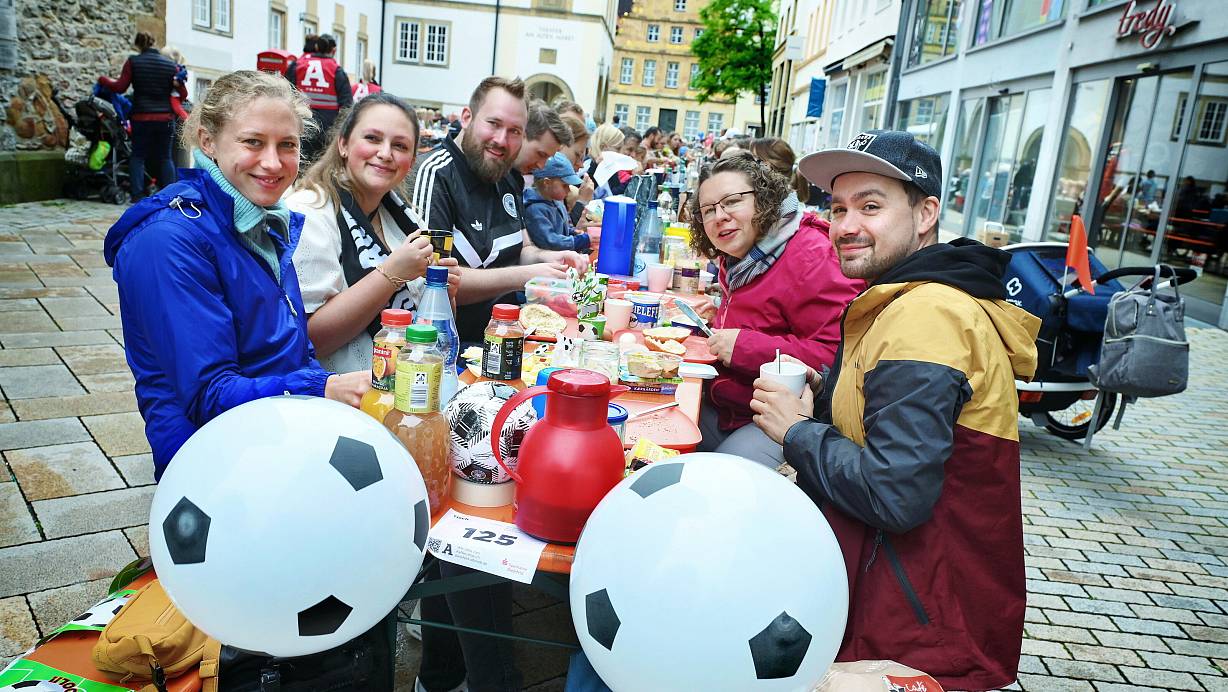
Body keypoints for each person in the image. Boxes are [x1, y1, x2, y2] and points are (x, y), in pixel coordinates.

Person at [751, 130, 1040, 690]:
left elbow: (894, 494)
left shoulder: (927, 315)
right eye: (837, 208)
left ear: (926, 212)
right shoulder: (904, 295)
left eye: (872, 206)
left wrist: (798, 432)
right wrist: (830, 404)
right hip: (904, 599)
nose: (847, 226)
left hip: (915, 620)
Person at [102, 70, 370, 481]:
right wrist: (322, 389)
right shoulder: (167, 241)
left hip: (276, 425)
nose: (273, 162)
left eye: (288, 146)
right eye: (253, 142)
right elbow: (208, 395)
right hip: (209, 461)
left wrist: (333, 387)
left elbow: (289, 352)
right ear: (208, 141)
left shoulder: (263, 221)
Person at [690, 152, 862, 469]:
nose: (719, 216)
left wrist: (745, 346)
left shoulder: (812, 253)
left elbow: (840, 356)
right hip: (734, 405)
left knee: (718, 478)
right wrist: (719, 316)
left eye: (732, 201)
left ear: (764, 199)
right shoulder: (745, 254)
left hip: (783, 417)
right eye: (708, 210)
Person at [287, 92, 460, 373]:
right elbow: (309, 339)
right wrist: (390, 275)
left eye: (400, 145)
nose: (385, 153)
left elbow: (437, 334)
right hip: (339, 401)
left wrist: (444, 294)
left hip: (409, 387)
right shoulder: (307, 211)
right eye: (373, 138)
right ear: (343, 144)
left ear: (412, 160)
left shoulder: (406, 217)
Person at [410, 76, 587, 344]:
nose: (502, 140)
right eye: (493, 124)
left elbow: (522, 249)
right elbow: (431, 285)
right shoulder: (436, 175)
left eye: (515, 131)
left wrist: (550, 259)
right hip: (454, 350)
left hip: (509, 338)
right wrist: (523, 276)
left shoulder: (504, 174)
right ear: (467, 117)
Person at [98, 31, 184, 201]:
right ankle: (171, 195)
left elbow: (120, 87)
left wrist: (103, 80)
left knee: (138, 156)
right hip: (165, 118)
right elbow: (180, 91)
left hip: (142, 117)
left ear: (138, 45)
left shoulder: (133, 62)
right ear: (154, 42)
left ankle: (137, 195)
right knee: (165, 157)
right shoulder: (169, 65)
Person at [285, 34, 353, 163]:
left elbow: (286, 91)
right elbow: (347, 105)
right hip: (328, 127)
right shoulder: (337, 70)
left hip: (303, 122)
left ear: (316, 47)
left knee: (301, 161)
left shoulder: (298, 64)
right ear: (333, 51)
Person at [524, 152, 594, 253]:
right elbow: (549, 242)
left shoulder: (557, 202)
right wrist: (579, 241)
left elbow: (562, 227)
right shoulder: (534, 209)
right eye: (565, 186)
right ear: (547, 183)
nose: (569, 190)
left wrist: (573, 232)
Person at [512, 99, 573, 189]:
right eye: (541, 154)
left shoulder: (515, 180)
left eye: (547, 158)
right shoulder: (490, 177)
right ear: (521, 134)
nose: (541, 166)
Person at [750, 137, 823, 207]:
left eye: (757, 160)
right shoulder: (771, 199)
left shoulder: (782, 207)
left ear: (773, 165)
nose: (749, 164)